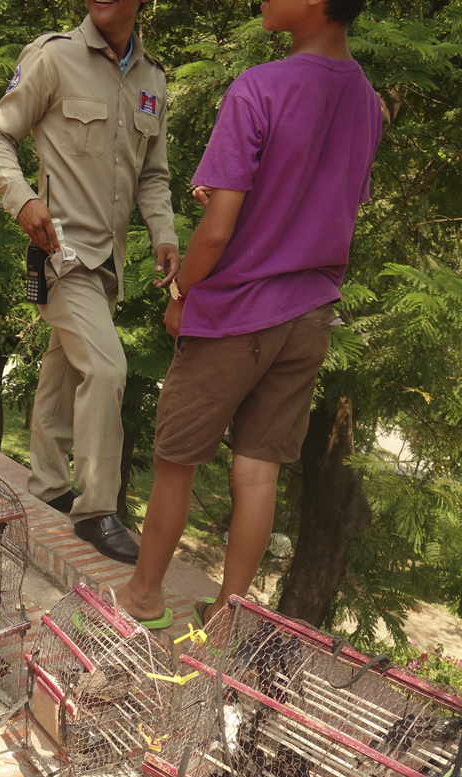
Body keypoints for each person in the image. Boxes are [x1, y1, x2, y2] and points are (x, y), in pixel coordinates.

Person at [116, 0, 382, 627]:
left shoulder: (260, 86)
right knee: (257, 471)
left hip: (238, 311)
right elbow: (329, 198)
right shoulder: (367, 101)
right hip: (311, 314)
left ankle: (142, 598)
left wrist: (181, 291)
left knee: (177, 460)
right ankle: (224, 623)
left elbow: (215, 233)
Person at [0, 0, 179, 564]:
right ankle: (96, 509)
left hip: (109, 265)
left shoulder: (151, 80)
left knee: (64, 367)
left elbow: (154, 176)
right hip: (60, 253)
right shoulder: (53, 58)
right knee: (107, 367)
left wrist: (163, 233)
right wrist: (21, 202)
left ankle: (47, 483)